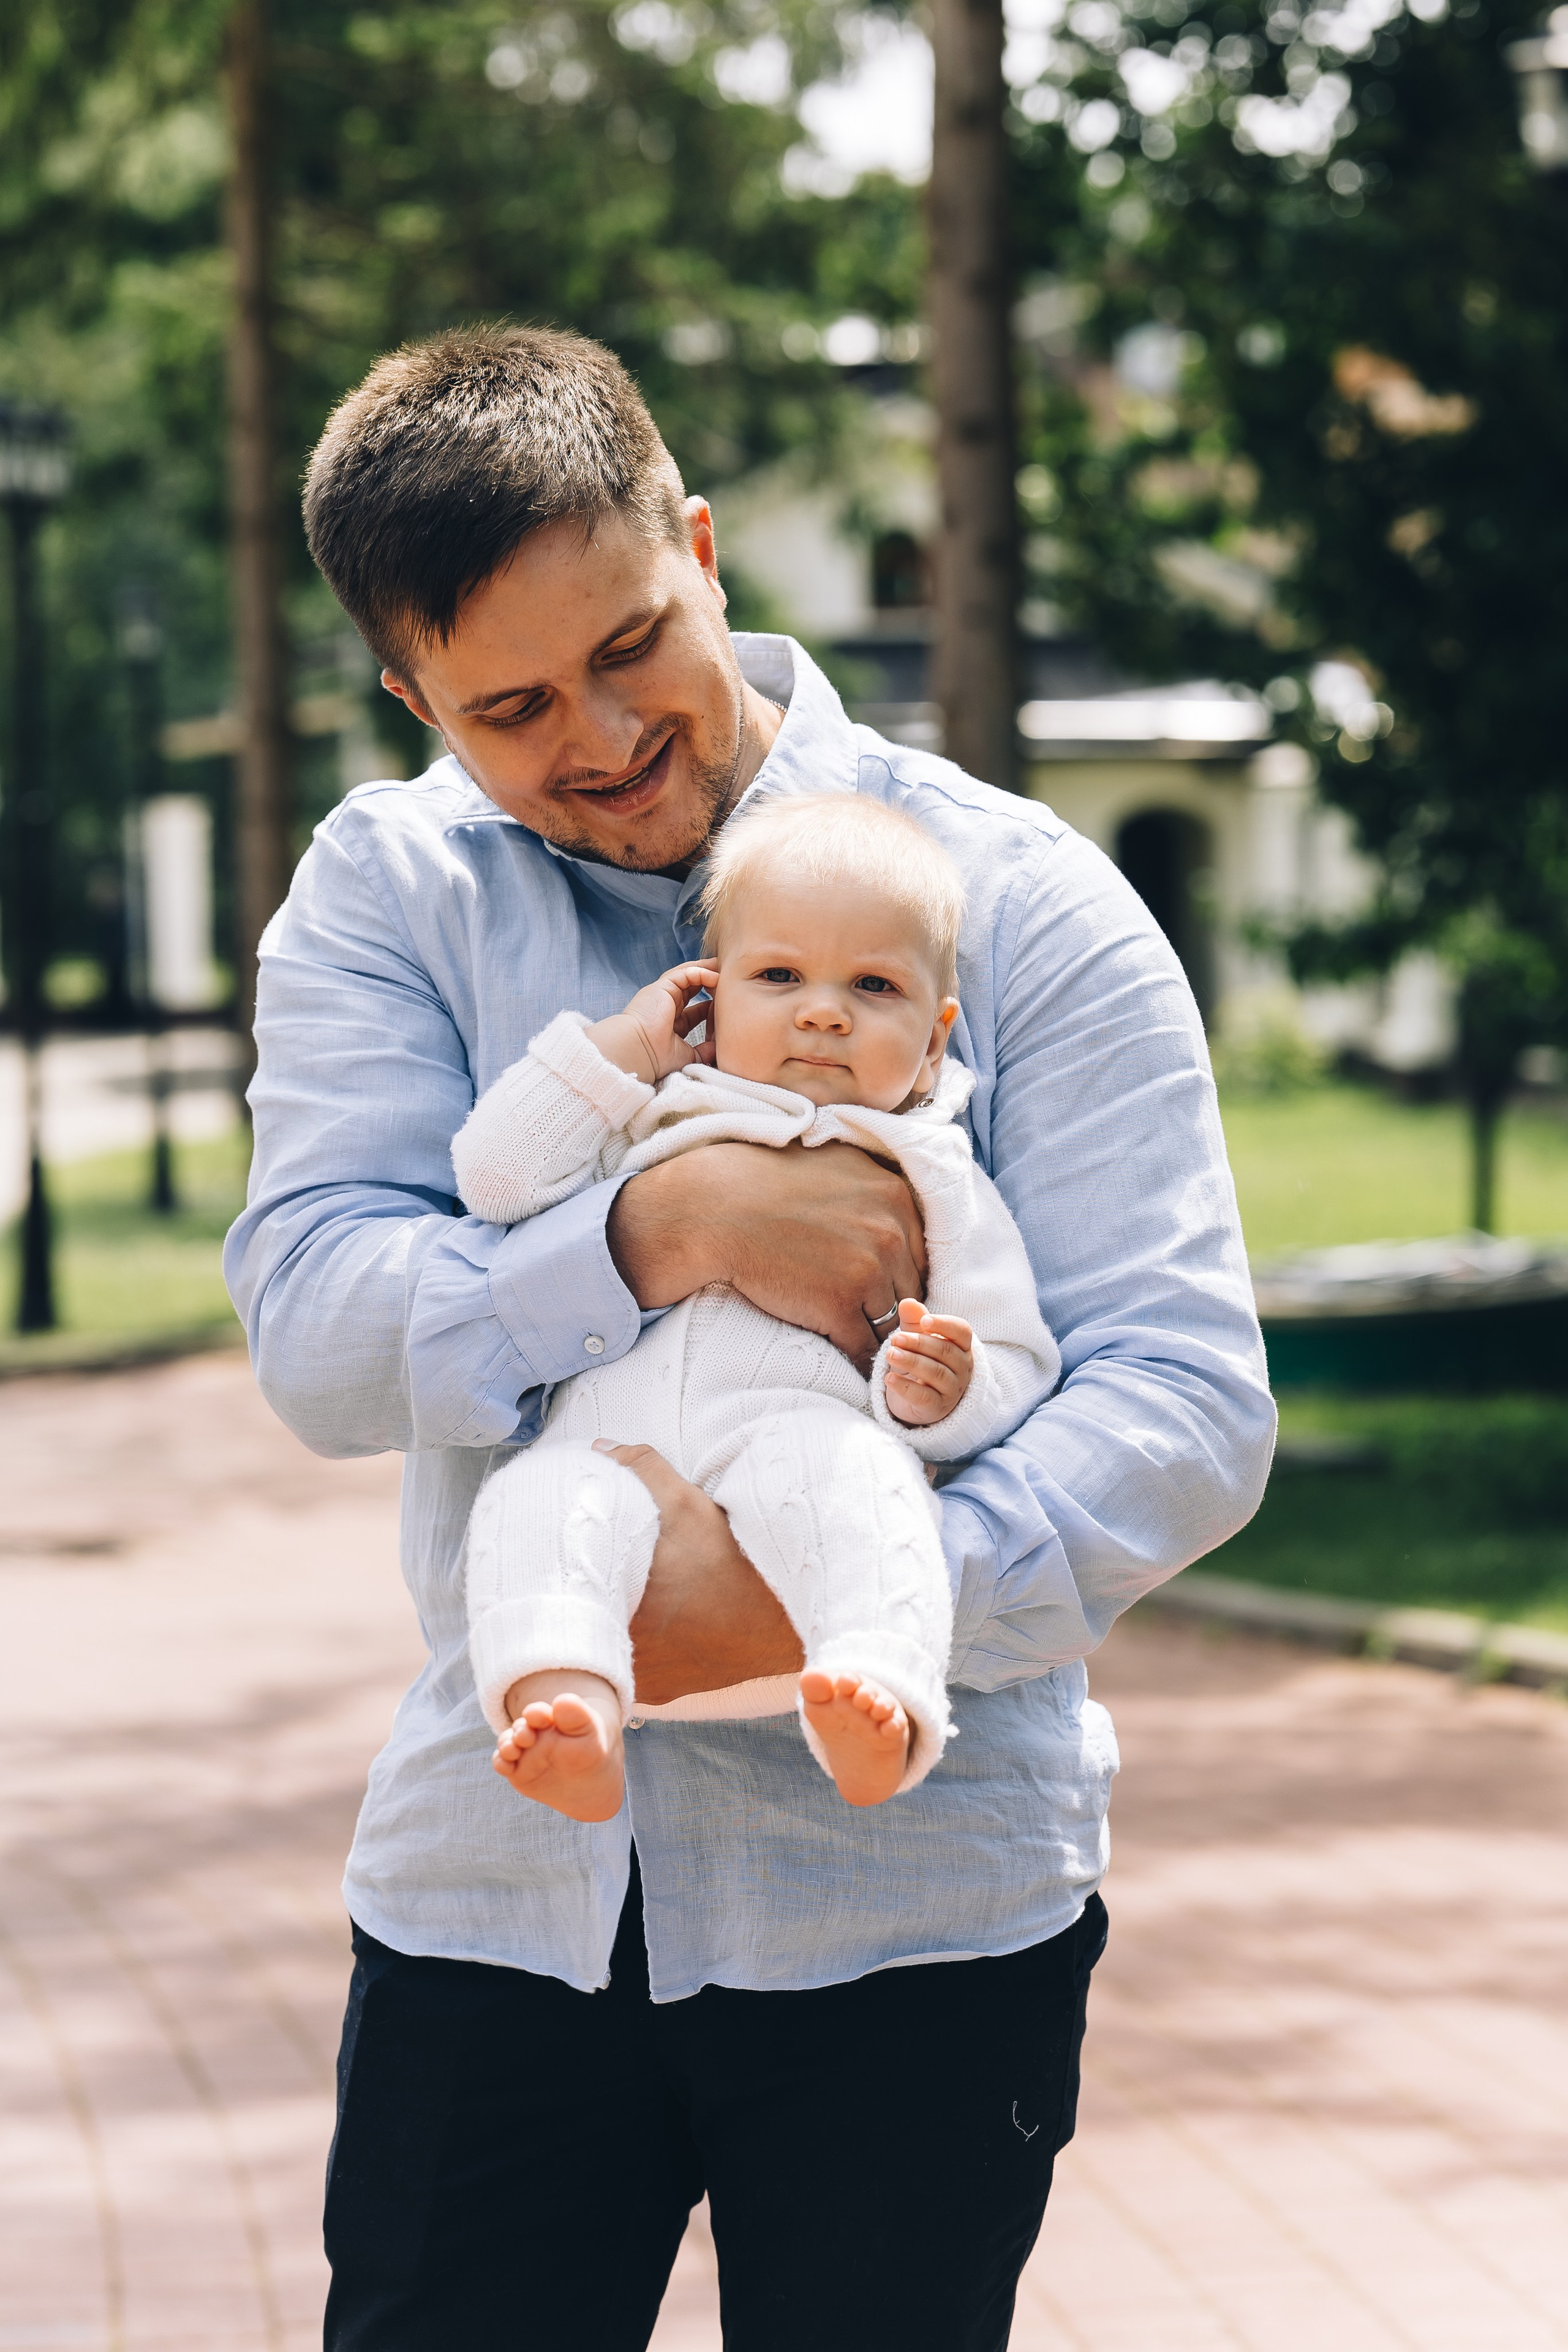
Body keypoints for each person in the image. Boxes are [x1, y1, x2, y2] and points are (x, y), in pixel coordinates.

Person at [225, 322, 1275, 2351]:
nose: (603, 736)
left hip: (921, 1903)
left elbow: (1184, 1398)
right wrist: (649, 1232)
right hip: (495, 1891)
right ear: (409, 693)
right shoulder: (389, 896)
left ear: (699, 545)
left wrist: (815, 1604)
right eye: (512, 707)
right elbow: (318, 1333)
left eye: (634, 647)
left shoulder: (1018, 906)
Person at [458, 793, 1061, 1816]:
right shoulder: (651, 1116)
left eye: (873, 986)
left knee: (864, 1481)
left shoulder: (933, 1172)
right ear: (710, 994)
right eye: (777, 976)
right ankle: (571, 1709)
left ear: (933, 1039)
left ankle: (878, 1695)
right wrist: (624, 1049)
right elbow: (497, 1178)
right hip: (608, 1459)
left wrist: (943, 1390)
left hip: (797, 1461)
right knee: (531, 1502)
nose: (822, 1011)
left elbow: (1015, 1354)